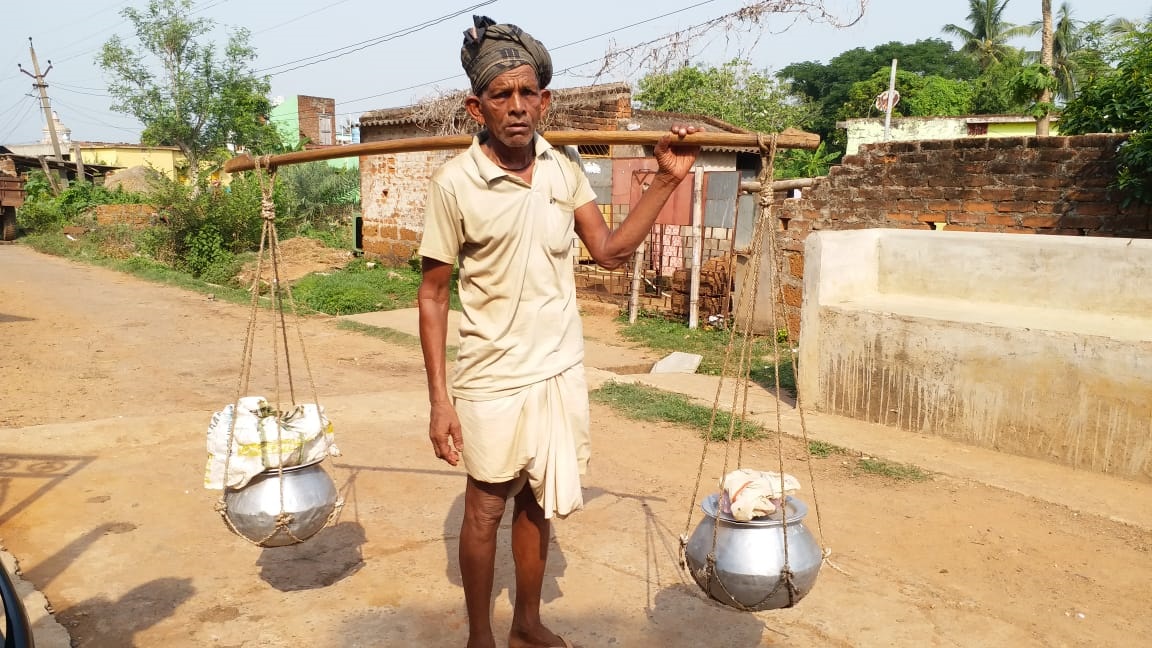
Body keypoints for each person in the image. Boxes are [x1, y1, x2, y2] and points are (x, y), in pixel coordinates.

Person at [417, 15, 699, 648]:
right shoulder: (455, 183)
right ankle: (480, 636)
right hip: (491, 373)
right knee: (486, 505)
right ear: (477, 107)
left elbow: (609, 251)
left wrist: (665, 179)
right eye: (501, 95)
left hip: (557, 367)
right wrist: (439, 401)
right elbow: (433, 295)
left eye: (528, 93)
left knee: (537, 501)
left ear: (544, 102)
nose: (517, 107)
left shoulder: (562, 168)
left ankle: (526, 622)